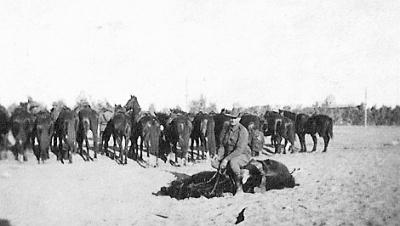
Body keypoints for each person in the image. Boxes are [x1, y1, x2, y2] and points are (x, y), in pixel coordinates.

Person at [211, 108, 251, 195]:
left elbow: (239, 149)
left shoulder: (243, 131)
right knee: (214, 163)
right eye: (231, 118)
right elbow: (222, 145)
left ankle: (239, 187)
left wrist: (226, 159)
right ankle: (227, 180)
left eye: (235, 118)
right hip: (228, 153)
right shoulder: (226, 128)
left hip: (242, 154)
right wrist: (218, 155)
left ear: (239, 119)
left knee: (233, 163)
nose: (232, 120)